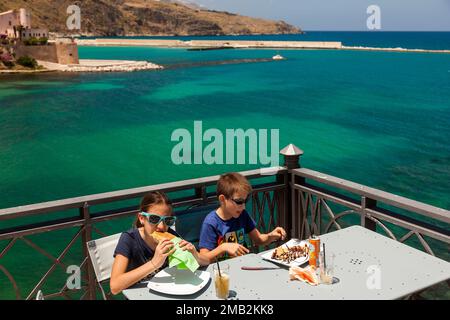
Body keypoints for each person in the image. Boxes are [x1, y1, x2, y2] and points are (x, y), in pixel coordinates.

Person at [110, 191, 209, 295]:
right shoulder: (129, 239)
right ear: (142, 218)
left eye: (168, 220)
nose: (161, 226)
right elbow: (114, 286)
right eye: (154, 219)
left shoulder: (171, 235)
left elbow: (206, 260)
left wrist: (194, 255)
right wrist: (154, 263)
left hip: (168, 293)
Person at [199, 172, 287, 262]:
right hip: (223, 272)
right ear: (222, 199)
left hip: (243, 265)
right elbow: (203, 258)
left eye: (245, 201)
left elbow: (258, 239)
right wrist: (223, 247)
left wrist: (271, 236)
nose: (243, 206)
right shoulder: (211, 222)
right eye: (239, 201)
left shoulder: (242, 214)